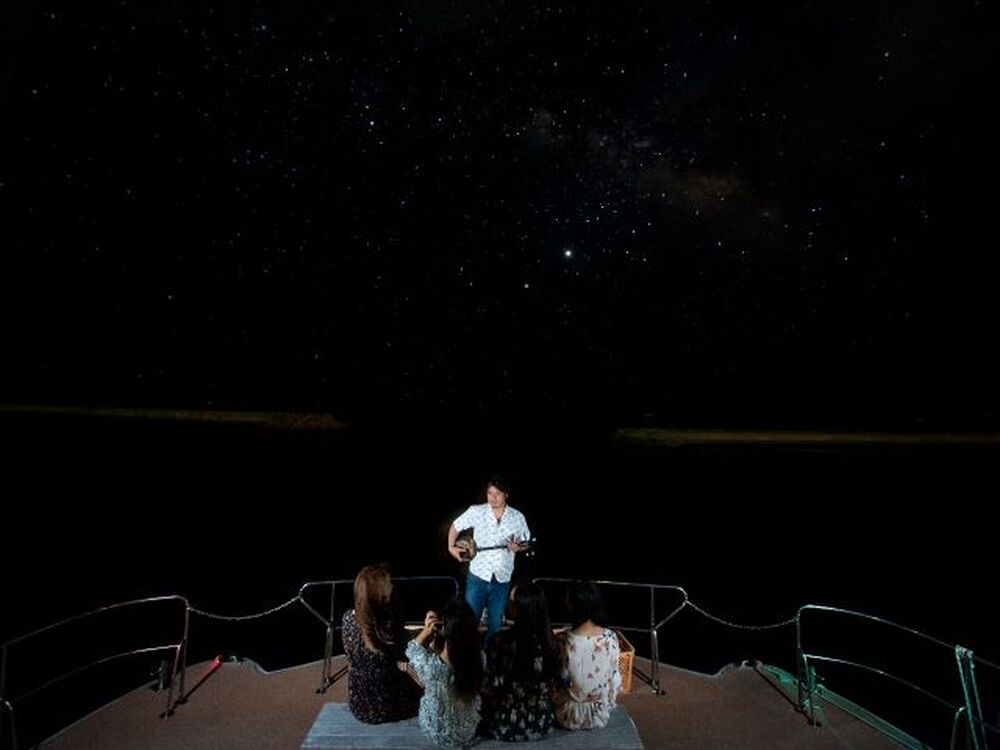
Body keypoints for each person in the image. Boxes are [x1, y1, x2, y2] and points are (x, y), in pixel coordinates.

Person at [448, 475, 531, 642]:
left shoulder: (517, 517)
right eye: (489, 493)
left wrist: (518, 547)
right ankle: (469, 656)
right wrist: (451, 547)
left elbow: (526, 543)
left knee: (496, 625)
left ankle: (492, 657)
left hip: (502, 579)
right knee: (470, 622)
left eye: (497, 494)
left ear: (506, 495)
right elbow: (455, 526)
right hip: (478, 577)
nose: (493, 498)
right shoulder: (476, 511)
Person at [479, 582, 562, 741]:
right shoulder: (552, 643)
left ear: (517, 608)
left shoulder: (500, 642)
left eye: (511, 600)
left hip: (504, 724)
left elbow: (491, 687)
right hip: (541, 723)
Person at [340, 563, 421, 723]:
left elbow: (351, 657)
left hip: (359, 704)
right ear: (379, 593)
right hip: (388, 705)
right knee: (427, 680)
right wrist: (425, 635)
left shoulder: (348, 618)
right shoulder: (389, 624)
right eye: (389, 583)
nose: (392, 586)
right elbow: (407, 656)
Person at [405, 597, 484, 749]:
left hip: (435, 731)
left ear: (442, 628)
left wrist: (426, 630)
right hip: (467, 732)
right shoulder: (480, 658)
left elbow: (411, 649)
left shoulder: (430, 666)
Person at [554, 581, 622, 730]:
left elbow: (559, 679)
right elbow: (614, 679)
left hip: (567, 715)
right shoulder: (611, 638)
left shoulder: (564, 640)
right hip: (599, 714)